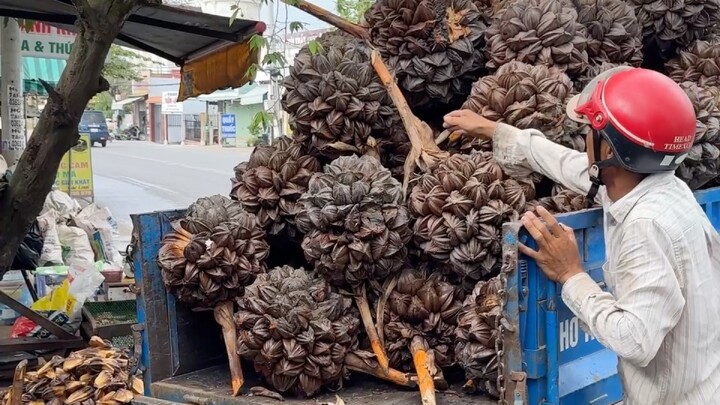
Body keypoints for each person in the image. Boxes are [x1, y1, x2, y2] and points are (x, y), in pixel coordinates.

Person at [443, 66, 720, 405]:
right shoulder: (663, 189)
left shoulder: (643, 227)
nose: (585, 137)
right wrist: (498, 131)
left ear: (607, 151)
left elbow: (635, 340)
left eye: (590, 130)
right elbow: (573, 165)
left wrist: (570, 274)